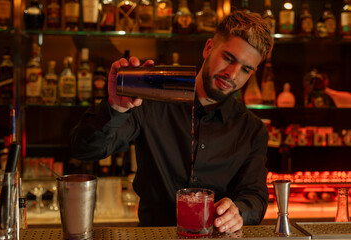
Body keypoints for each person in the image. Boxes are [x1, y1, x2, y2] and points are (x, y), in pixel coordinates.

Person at [71, 10, 274, 233]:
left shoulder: (252, 129)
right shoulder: (150, 102)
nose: (233, 74)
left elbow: (254, 195)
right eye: (228, 58)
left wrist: (239, 211)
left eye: (246, 69)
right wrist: (116, 106)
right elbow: (85, 150)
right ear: (208, 48)